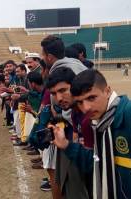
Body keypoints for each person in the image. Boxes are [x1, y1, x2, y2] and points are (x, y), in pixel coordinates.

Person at [51, 69, 131, 198]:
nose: (86, 108)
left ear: (107, 91)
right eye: (80, 102)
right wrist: (66, 145)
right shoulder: (100, 123)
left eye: (91, 98)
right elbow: (97, 163)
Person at [47, 68, 92, 199]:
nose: (59, 98)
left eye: (63, 90)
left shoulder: (91, 114)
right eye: (54, 94)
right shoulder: (73, 112)